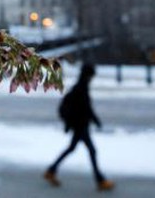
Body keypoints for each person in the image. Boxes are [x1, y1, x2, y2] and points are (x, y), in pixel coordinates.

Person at [44, 63, 114, 191]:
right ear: (88, 75)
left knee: (73, 149)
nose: (92, 78)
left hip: (80, 125)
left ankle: (51, 170)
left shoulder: (80, 87)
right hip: (80, 125)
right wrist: (95, 120)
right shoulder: (81, 88)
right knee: (91, 151)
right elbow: (86, 108)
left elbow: (85, 108)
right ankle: (100, 180)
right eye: (92, 75)